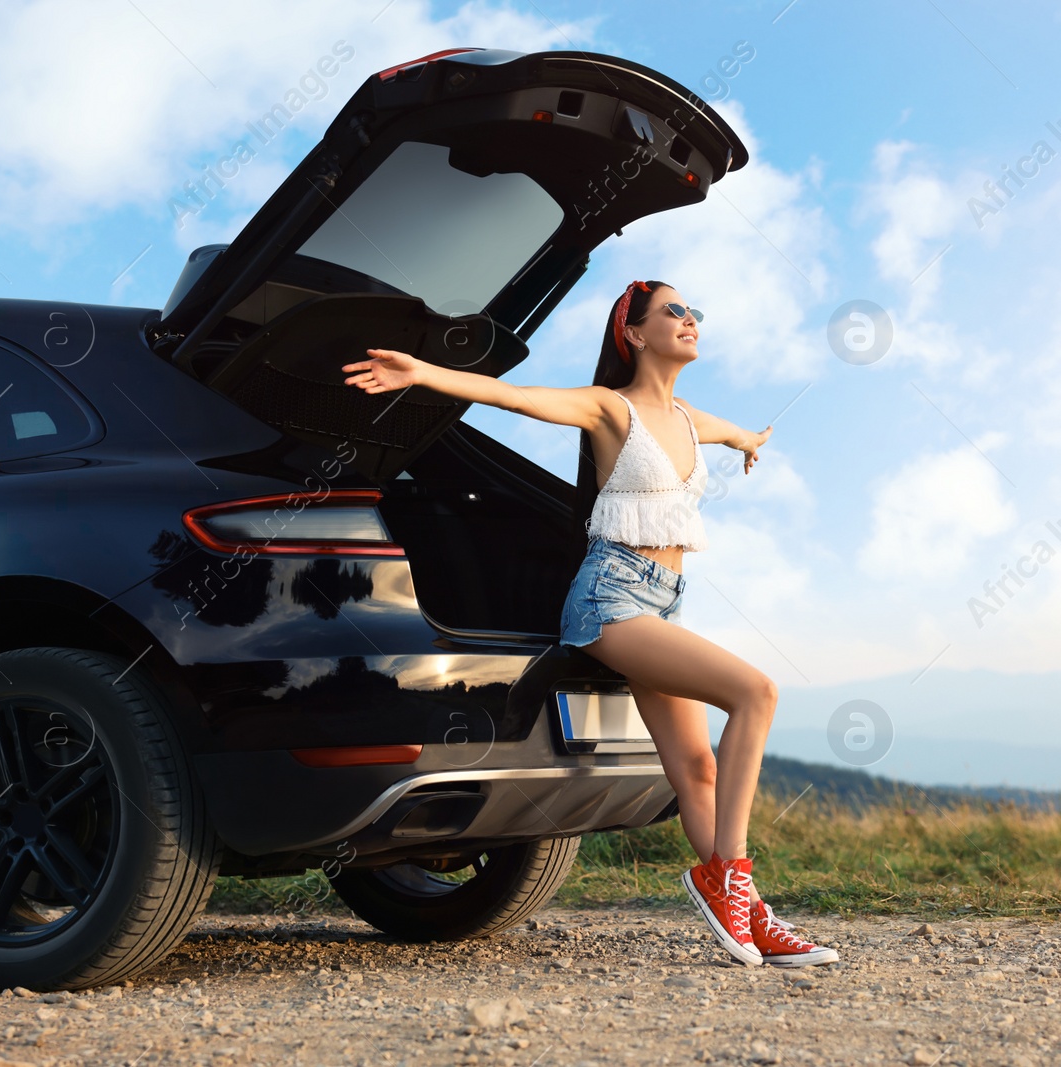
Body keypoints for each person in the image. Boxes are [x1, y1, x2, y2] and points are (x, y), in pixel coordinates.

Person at [340, 279, 837, 967]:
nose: (690, 319)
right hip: (611, 600)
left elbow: (731, 432)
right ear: (632, 333)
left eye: (695, 312)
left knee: (696, 768)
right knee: (757, 692)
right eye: (673, 311)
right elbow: (513, 396)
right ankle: (734, 879)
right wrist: (421, 371)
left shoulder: (692, 419)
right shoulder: (609, 409)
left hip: (665, 599)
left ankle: (747, 914)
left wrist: (751, 440)